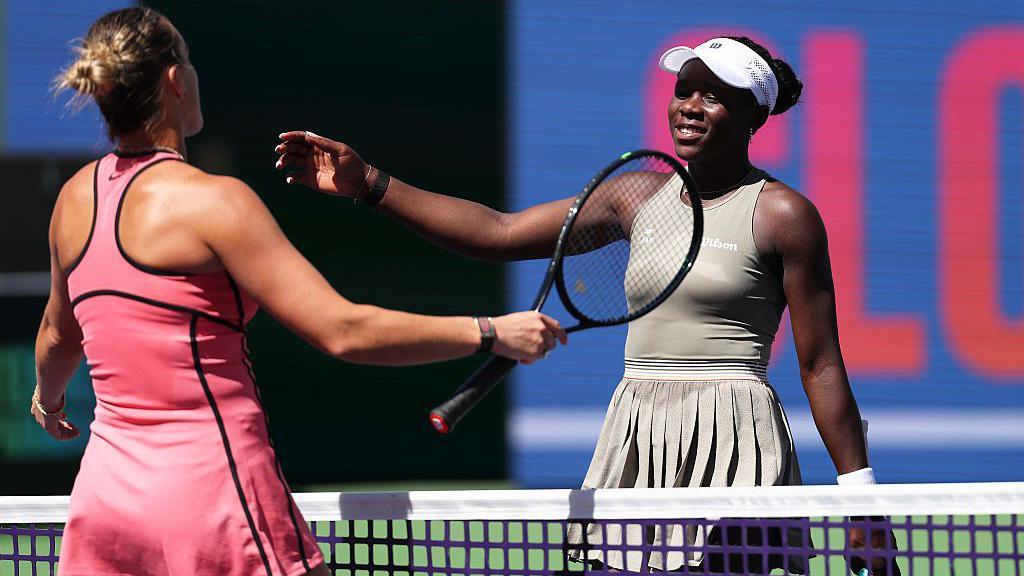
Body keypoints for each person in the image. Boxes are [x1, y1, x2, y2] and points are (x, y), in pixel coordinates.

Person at [274, 36, 900, 575]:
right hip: (638, 430)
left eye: (712, 95)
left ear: (751, 117)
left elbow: (820, 365)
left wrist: (862, 500)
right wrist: (371, 185)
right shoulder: (633, 197)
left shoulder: (785, 215)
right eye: (684, 90)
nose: (688, 106)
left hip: (738, 438)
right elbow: (496, 232)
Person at [32, 7, 566, 576]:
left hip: (105, 503)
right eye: (187, 59)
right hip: (214, 498)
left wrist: (49, 401)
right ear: (173, 80)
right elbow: (343, 331)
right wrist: (491, 332)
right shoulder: (216, 203)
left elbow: (56, 339)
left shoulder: (72, 200)